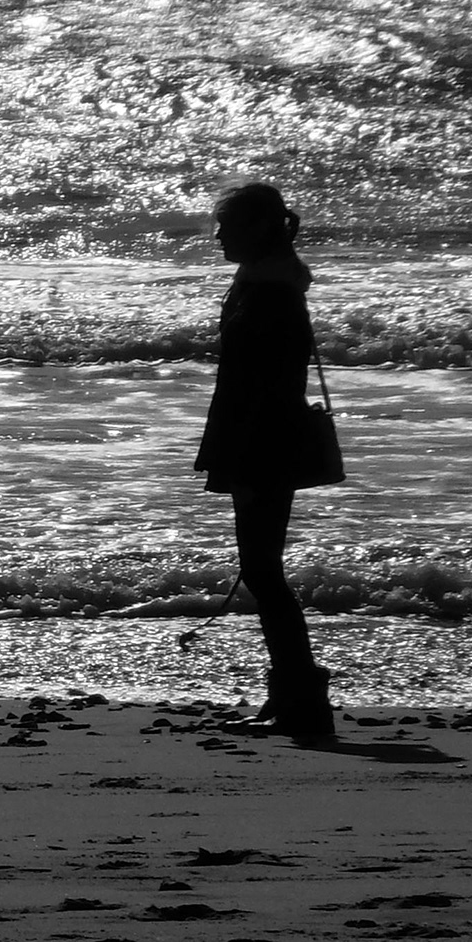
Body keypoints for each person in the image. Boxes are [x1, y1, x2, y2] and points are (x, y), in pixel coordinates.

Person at [194, 182, 335, 741]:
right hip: (260, 440)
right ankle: (295, 695)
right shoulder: (267, 283)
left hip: (262, 443)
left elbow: (265, 387)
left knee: (263, 572)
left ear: (257, 229)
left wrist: (246, 462)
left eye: (227, 226)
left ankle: (302, 699)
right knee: (262, 570)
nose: (218, 236)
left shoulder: (270, 292)